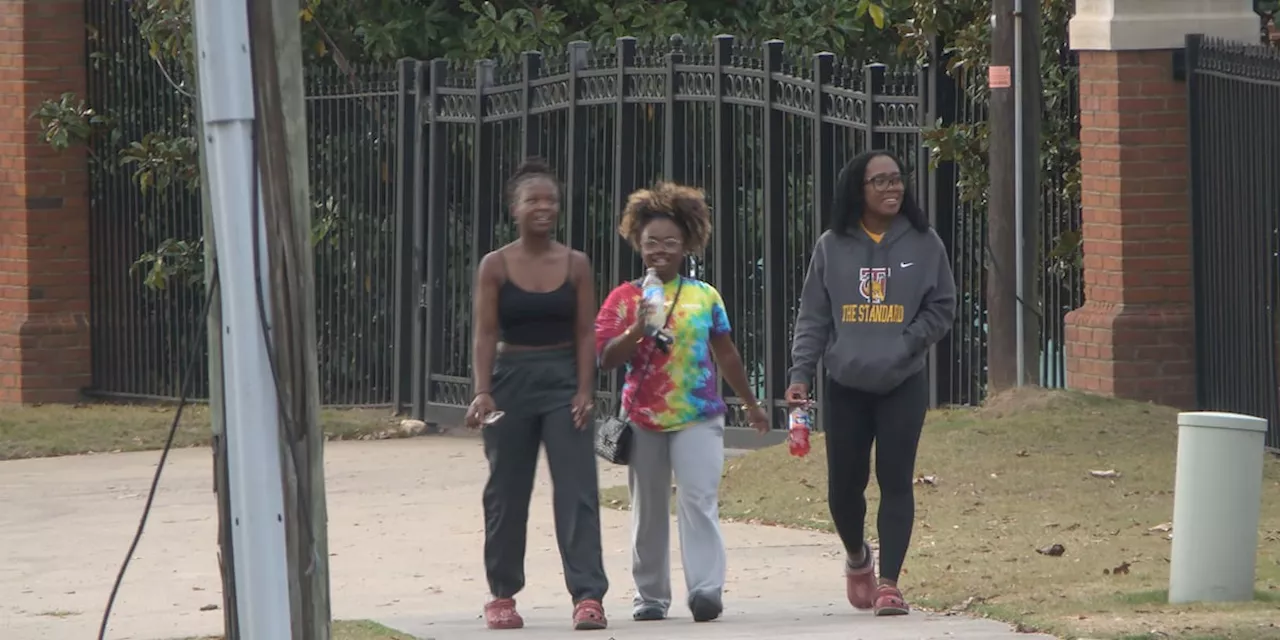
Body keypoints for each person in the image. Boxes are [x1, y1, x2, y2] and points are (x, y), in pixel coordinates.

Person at [786, 150, 956, 617]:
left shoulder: (925, 243)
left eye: (897, 180)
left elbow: (942, 305)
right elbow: (813, 318)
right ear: (857, 190)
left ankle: (889, 584)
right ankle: (859, 557)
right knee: (844, 489)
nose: (892, 188)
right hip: (846, 383)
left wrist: (908, 343)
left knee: (896, 479)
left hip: (903, 381)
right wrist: (801, 374)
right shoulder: (832, 245)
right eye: (879, 181)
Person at [595, 182, 770, 624]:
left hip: (699, 416)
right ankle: (650, 595)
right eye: (651, 242)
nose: (660, 250)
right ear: (638, 242)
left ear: (687, 245)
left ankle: (706, 590)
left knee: (698, 500)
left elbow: (726, 352)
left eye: (670, 243)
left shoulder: (704, 295)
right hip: (643, 420)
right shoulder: (623, 297)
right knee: (648, 509)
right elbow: (604, 357)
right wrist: (637, 328)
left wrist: (750, 403)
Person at [465, 158, 610, 631]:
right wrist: (483, 390)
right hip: (510, 380)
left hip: (564, 378)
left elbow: (587, 333)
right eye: (533, 200)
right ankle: (502, 593)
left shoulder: (576, 264)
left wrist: (586, 389)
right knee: (505, 492)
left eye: (550, 200)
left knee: (577, 490)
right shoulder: (495, 265)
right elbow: (485, 334)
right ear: (515, 209)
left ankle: (588, 596)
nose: (543, 207)